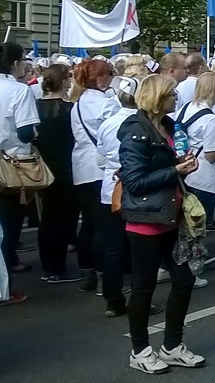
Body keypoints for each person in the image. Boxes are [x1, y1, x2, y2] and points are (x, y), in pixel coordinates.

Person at [118, 74, 203, 374]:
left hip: (170, 216)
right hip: (145, 221)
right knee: (144, 286)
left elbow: (166, 169)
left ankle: (172, 345)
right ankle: (140, 350)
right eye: (171, 96)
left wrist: (183, 166)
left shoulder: (165, 126)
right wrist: (175, 169)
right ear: (158, 98)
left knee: (184, 280)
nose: (175, 100)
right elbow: (135, 182)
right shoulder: (134, 131)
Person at [0, 43, 40, 306]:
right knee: (7, 227)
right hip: (12, 164)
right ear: (16, 63)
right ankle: (1, 288)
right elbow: (25, 132)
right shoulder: (20, 91)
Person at [95, 76, 140, 317]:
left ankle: (113, 299)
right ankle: (138, 300)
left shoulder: (107, 123)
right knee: (138, 248)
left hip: (110, 189)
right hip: (134, 190)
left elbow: (101, 159)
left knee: (114, 247)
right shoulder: (141, 123)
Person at [32, 64, 80, 283]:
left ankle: (48, 266)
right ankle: (58, 268)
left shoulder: (35, 106)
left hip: (42, 166)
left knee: (48, 217)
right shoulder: (69, 109)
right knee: (65, 218)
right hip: (66, 167)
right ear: (64, 82)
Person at [70, 58, 114, 291]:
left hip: (82, 167)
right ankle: (102, 275)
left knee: (88, 223)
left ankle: (87, 271)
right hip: (100, 168)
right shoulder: (105, 104)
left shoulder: (78, 102)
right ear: (100, 79)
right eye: (108, 74)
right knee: (103, 227)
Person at [176, 72, 215, 227]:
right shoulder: (211, 119)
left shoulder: (185, 108)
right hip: (201, 175)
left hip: (181, 171)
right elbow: (211, 154)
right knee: (197, 227)